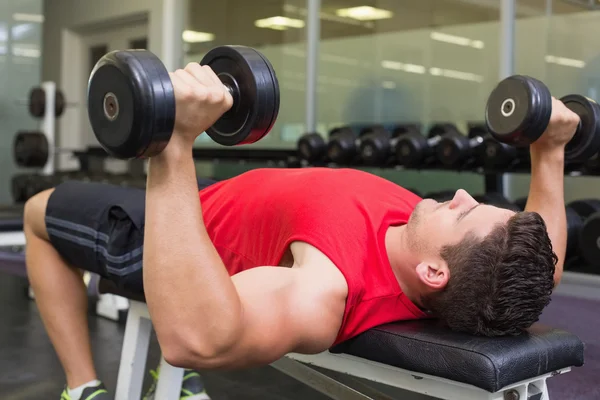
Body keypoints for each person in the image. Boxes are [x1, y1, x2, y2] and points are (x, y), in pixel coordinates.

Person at [23, 62, 576, 400]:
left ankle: (81, 388)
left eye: (462, 213)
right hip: (195, 206)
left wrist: (173, 144)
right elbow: (540, 267)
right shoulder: (477, 263)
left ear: (435, 272)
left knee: (37, 214)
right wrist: (548, 150)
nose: (459, 196)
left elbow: (194, 338)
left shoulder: (326, 289)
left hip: (165, 234)